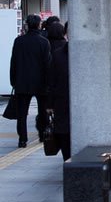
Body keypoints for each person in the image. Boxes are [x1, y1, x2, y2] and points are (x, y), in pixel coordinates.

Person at [10, 14, 51, 148]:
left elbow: (14, 62)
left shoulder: (19, 41)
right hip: (40, 82)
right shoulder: (44, 42)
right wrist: (48, 82)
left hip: (22, 81)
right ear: (39, 25)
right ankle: (42, 135)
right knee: (42, 110)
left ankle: (22, 139)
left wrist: (13, 80)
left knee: (22, 113)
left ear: (27, 25)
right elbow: (47, 64)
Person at [46, 26, 70, 161]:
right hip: (62, 104)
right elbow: (51, 81)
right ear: (66, 34)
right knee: (65, 141)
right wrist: (49, 104)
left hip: (84, 108)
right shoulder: (57, 55)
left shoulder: (90, 54)